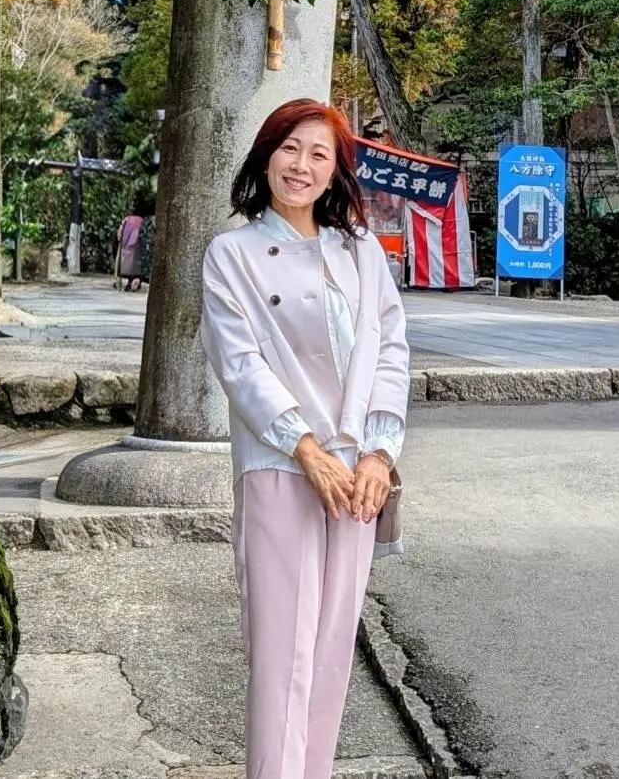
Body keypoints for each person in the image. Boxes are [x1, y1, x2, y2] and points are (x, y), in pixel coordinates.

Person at [200, 98, 410, 779]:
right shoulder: (231, 254)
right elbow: (241, 366)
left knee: (328, 655)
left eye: (319, 154)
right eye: (291, 147)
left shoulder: (359, 252)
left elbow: (391, 351)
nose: (302, 164)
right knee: (281, 653)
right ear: (267, 156)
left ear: (335, 173)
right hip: (281, 466)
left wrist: (380, 452)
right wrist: (305, 447)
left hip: (357, 479)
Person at [115, 206, 144, 292]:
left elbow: (119, 234)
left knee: (124, 266)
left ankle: (124, 283)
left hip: (126, 246)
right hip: (137, 246)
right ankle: (134, 282)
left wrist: (120, 240)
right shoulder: (142, 221)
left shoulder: (126, 220)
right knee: (136, 267)